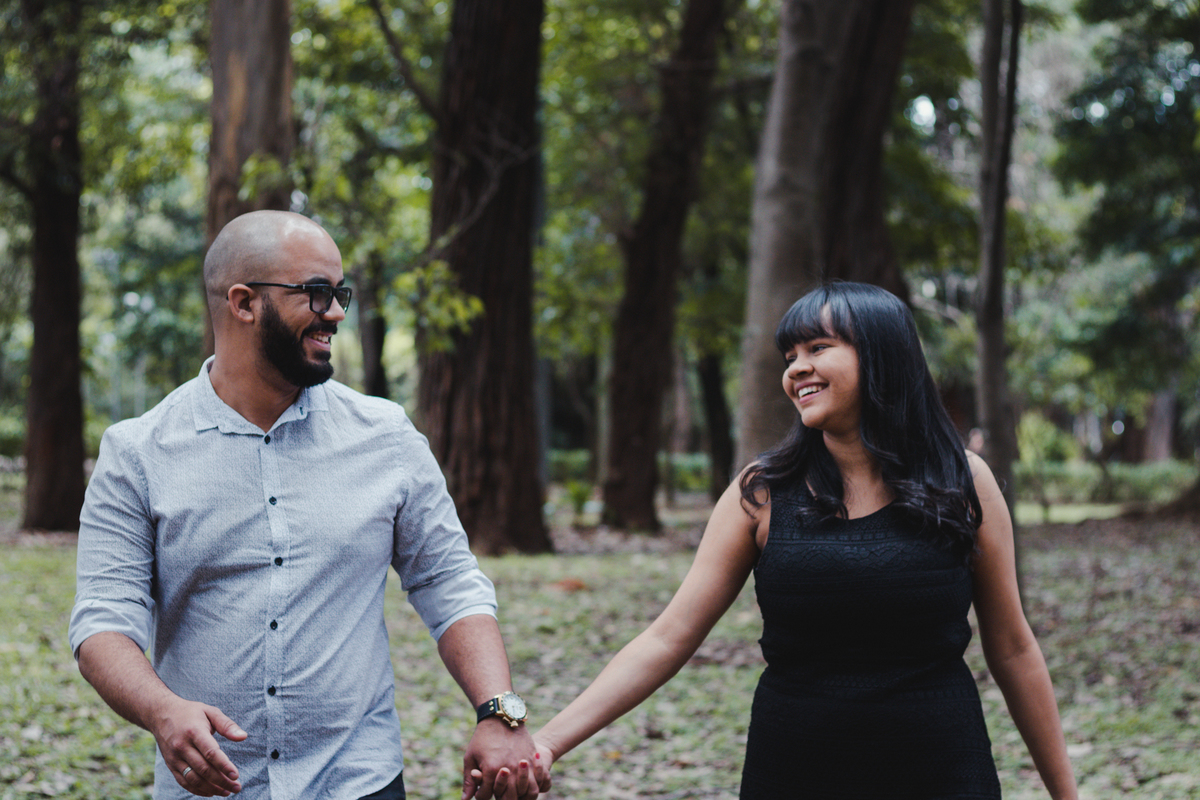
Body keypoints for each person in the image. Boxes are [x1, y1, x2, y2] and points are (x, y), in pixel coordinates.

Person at [518, 282, 1078, 799]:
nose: (796, 370)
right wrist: (548, 741)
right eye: (790, 357)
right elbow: (668, 637)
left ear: (882, 355)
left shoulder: (965, 481)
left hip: (942, 771)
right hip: (794, 772)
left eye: (817, 348)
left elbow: (1012, 648)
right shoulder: (762, 494)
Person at [69, 210, 541, 800]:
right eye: (318, 294)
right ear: (243, 303)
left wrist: (500, 712)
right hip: (211, 790)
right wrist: (162, 710)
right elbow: (103, 621)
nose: (338, 313)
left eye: (339, 292)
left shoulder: (385, 435)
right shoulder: (137, 453)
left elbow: (450, 581)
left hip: (359, 782)